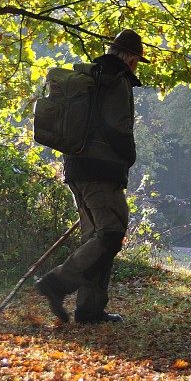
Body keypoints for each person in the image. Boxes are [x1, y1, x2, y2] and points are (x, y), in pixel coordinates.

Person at [35, 29, 148, 324]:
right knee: (111, 233)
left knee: (95, 237)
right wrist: (129, 155)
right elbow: (117, 128)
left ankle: (90, 310)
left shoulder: (92, 76)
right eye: (137, 60)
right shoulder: (118, 80)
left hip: (76, 167)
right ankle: (56, 283)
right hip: (101, 170)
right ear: (132, 57)